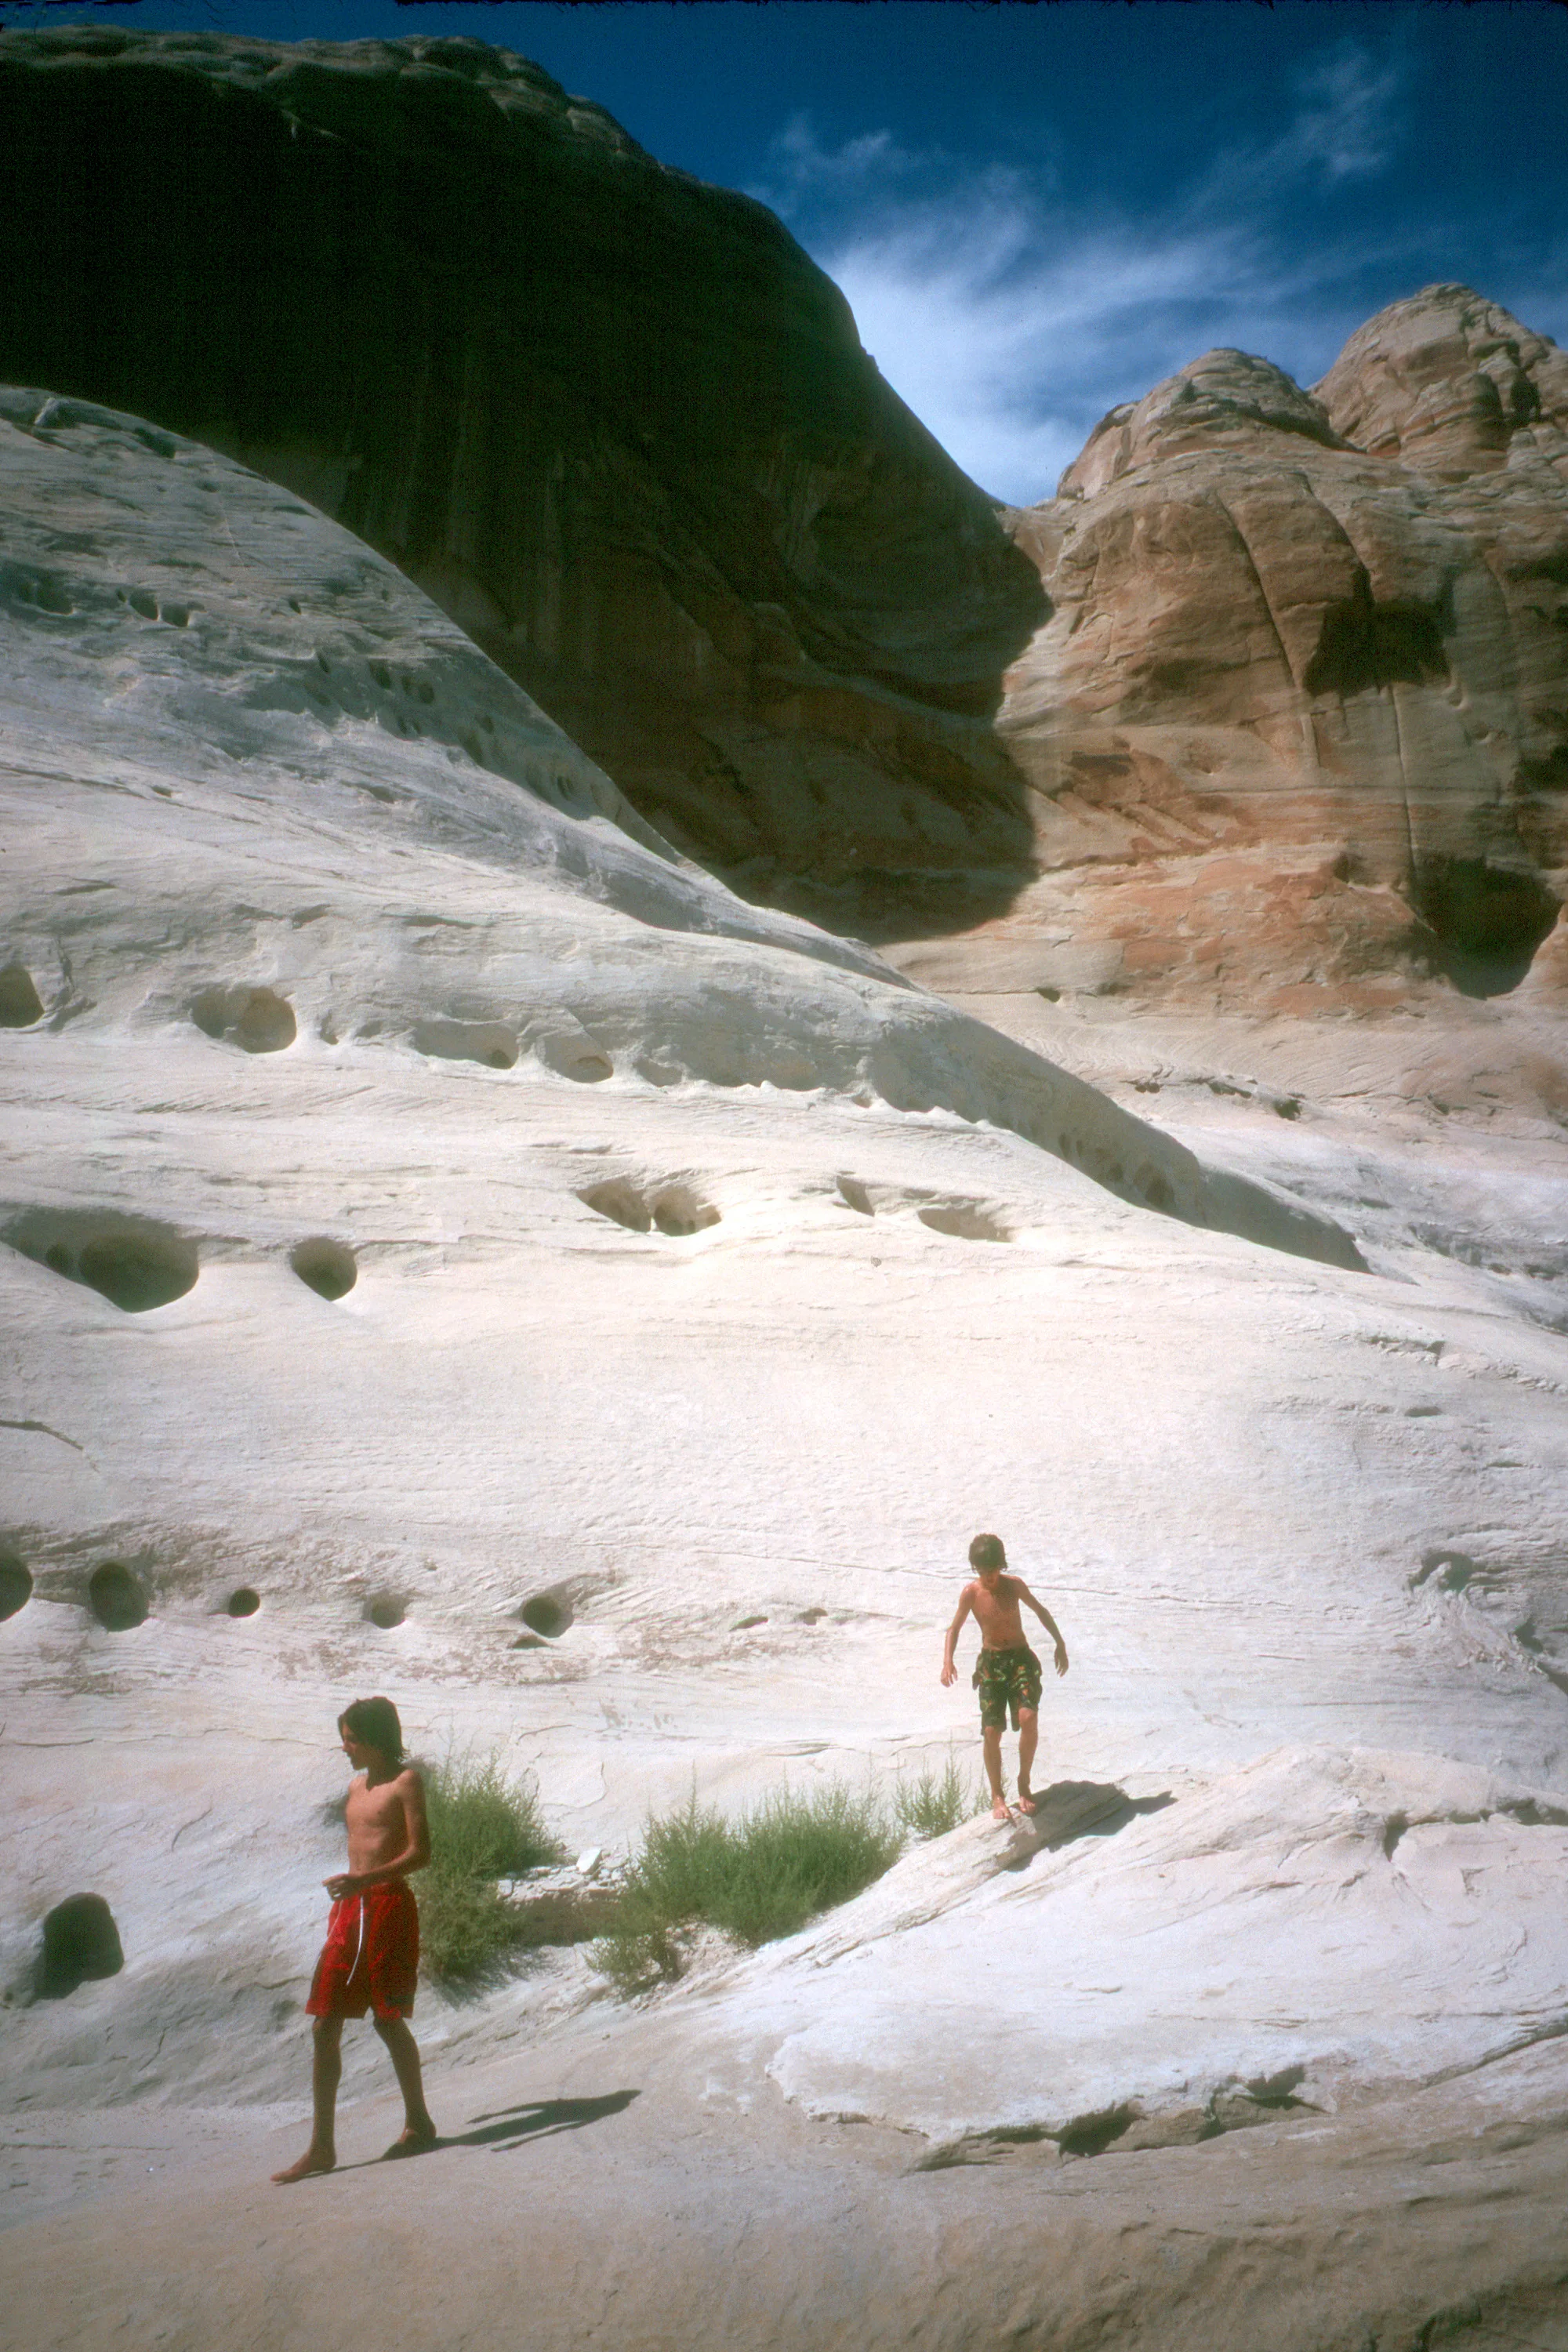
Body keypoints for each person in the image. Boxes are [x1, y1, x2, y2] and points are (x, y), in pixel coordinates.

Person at [271, 1695, 437, 2183]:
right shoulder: (354, 1785)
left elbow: (421, 1853)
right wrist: (353, 1888)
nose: (344, 1747)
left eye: (350, 1738)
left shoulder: (406, 1782)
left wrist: (366, 1882)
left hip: (386, 1908)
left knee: (387, 2021)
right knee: (325, 2024)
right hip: (350, 1911)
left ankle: (419, 2122)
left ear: (373, 1740)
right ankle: (322, 2147)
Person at [941, 1534, 1069, 1820]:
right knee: (991, 1732)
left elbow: (1040, 1611)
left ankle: (1024, 1781)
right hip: (991, 1663)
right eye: (982, 1572)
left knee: (1028, 1718)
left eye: (993, 1570)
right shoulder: (971, 1593)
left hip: (1020, 1659)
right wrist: (947, 1661)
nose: (988, 1577)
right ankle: (997, 1795)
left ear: (1001, 1565)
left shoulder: (1014, 1586)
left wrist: (1059, 1643)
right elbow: (954, 1628)